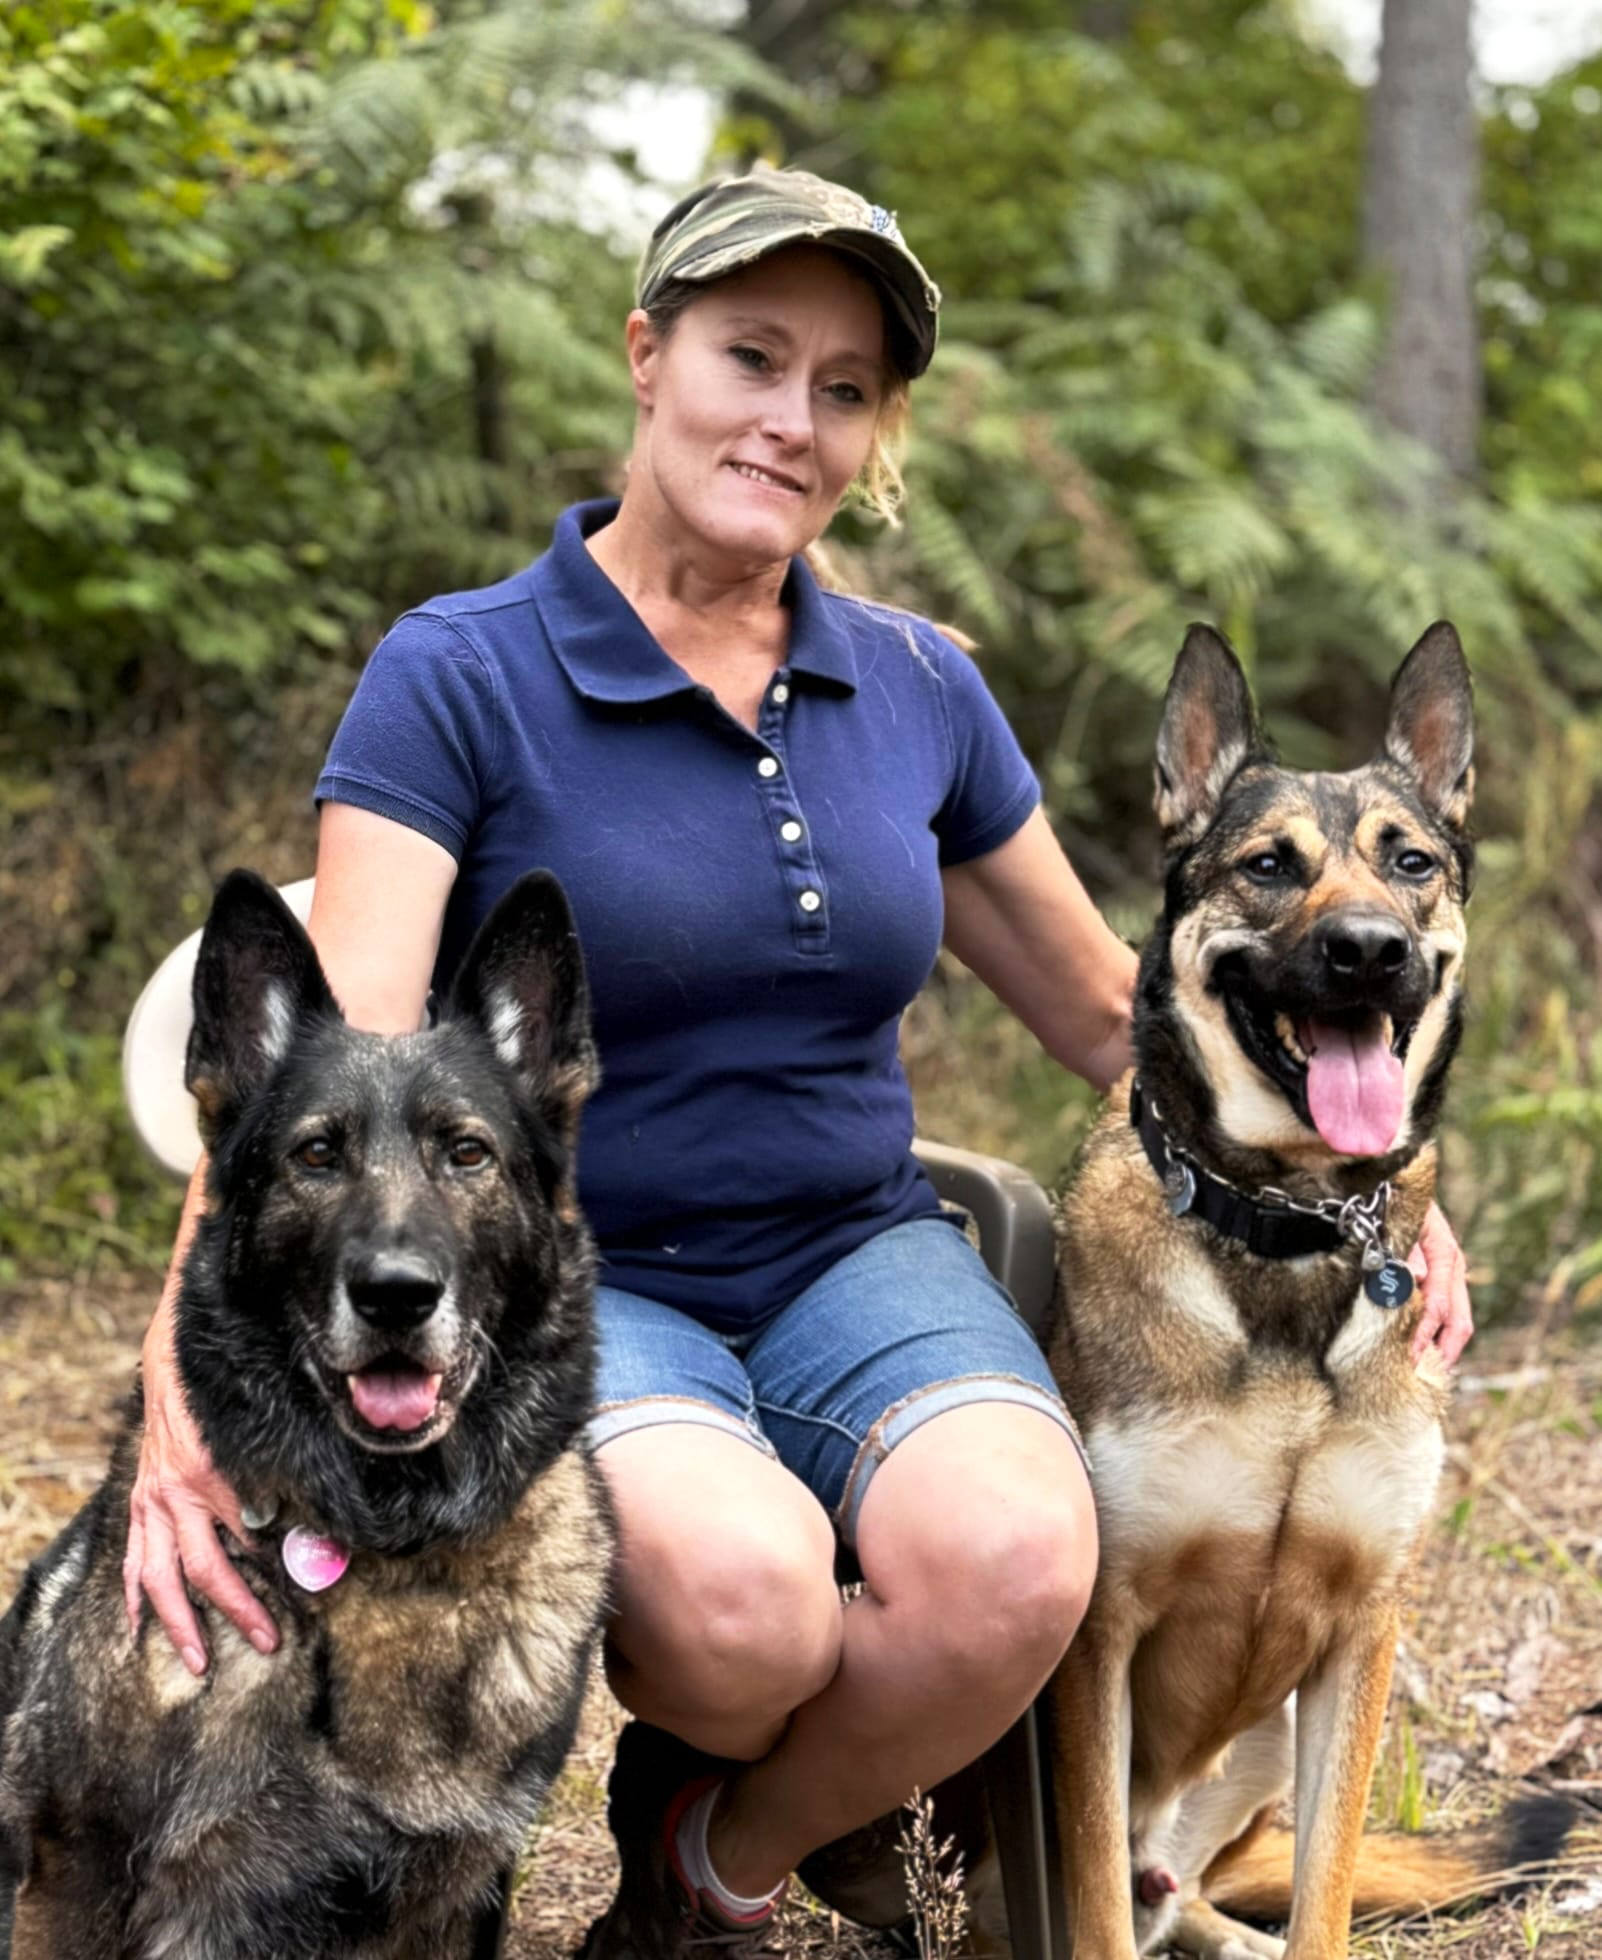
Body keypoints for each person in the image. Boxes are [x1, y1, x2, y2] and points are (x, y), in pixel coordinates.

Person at [125, 165, 1475, 1954]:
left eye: (842, 389)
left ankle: (714, 1863)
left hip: (860, 1252)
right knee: (751, 1611)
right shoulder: (460, 672)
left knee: (1017, 1569)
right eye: (750, 357)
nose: (790, 419)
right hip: (585, 1280)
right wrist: (177, 1402)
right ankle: (786, 1777)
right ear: (644, 355)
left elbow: (1110, 1009)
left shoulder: (915, 685)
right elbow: (326, 1071)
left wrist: (1370, 1189)